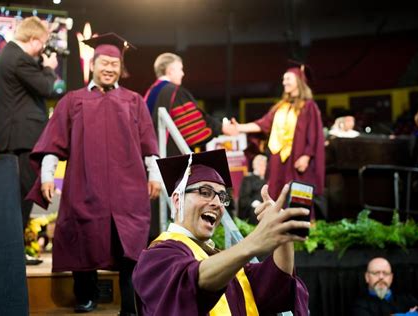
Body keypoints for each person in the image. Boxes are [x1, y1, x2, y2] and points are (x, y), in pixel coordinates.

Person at [27, 33, 161, 315]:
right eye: (104, 63)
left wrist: (154, 176)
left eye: (115, 63)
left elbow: (149, 145)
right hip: (84, 186)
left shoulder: (134, 101)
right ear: (93, 64)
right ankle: (85, 295)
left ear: (120, 68)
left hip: (128, 188)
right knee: (83, 237)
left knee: (130, 245)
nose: (109, 68)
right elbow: (53, 143)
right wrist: (47, 176)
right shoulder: (73, 101)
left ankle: (130, 304)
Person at [133, 149, 310, 316]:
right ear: (177, 199)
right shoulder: (156, 257)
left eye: (222, 196)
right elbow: (191, 281)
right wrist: (254, 242)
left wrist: (283, 234)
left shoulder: (227, 266)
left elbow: (276, 282)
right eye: (205, 192)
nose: (217, 203)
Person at [230, 63, 325, 213]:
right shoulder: (280, 107)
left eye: (288, 79)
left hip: (297, 158)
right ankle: (276, 225)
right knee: (276, 190)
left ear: (299, 81)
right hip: (278, 159)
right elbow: (262, 124)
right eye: (283, 79)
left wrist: (307, 155)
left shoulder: (308, 106)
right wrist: (239, 127)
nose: (284, 82)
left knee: (299, 192)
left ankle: (302, 228)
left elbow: (313, 133)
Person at [0, 16, 58, 230]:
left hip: (12, 136)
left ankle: (14, 248)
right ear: (34, 39)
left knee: (13, 196)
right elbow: (45, 88)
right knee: (22, 195)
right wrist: (49, 68)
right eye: (42, 43)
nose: (42, 50)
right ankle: (16, 249)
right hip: (23, 139)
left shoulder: (6, 55)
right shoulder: (19, 58)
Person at [144, 52, 236, 153]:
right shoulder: (175, 92)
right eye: (180, 69)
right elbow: (193, 129)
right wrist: (220, 128)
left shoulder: (150, 93)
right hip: (170, 158)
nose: (183, 73)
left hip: (152, 155)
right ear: (170, 71)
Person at [352, 257, 418, 315]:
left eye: (385, 273)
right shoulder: (359, 305)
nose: (381, 277)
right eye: (376, 273)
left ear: (391, 277)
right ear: (367, 277)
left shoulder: (405, 298)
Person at [237, 154, 268, 224]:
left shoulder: (267, 181)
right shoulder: (248, 179)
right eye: (260, 165)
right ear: (254, 166)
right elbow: (243, 199)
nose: (263, 167)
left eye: (264, 165)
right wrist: (254, 203)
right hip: (251, 212)